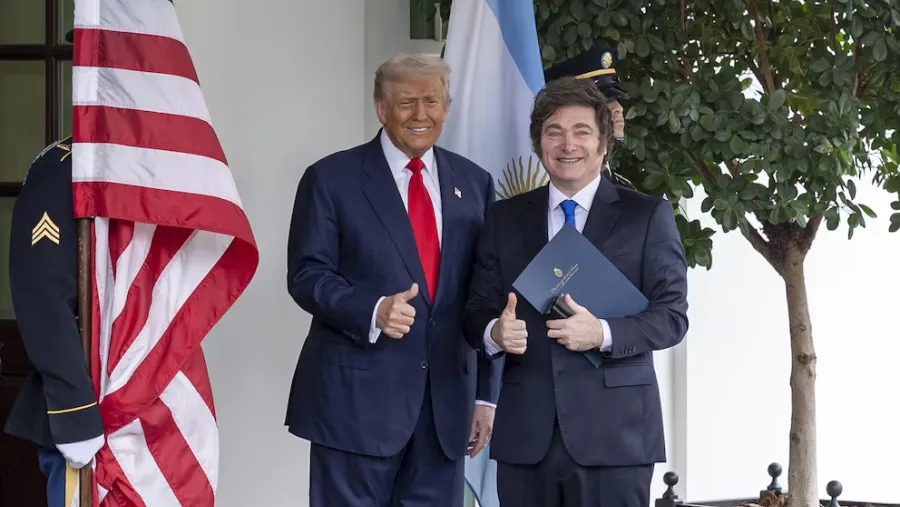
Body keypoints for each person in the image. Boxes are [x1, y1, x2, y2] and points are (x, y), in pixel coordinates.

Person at [285, 53, 502, 507]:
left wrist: (486, 395)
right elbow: (307, 274)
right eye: (406, 103)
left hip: (446, 409)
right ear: (381, 109)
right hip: (355, 406)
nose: (421, 114)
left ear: (446, 108)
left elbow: (485, 293)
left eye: (432, 101)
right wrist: (372, 310)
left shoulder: (474, 182)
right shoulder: (330, 178)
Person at [464, 76, 689, 507]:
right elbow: (476, 308)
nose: (568, 144)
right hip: (526, 438)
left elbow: (672, 317)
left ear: (604, 143)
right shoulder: (503, 217)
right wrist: (494, 332)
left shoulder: (647, 216)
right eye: (554, 132)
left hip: (615, 438)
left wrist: (602, 332)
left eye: (581, 132)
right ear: (538, 144)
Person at [5, 135, 105, 506]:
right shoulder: (63, 166)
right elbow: (43, 295)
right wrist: (76, 413)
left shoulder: (156, 160)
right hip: (84, 399)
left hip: (147, 405)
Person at [543, 46, 636, 190]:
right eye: (603, 102)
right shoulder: (549, 187)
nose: (619, 108)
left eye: (616, 99)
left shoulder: (622, 187)